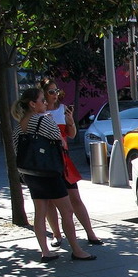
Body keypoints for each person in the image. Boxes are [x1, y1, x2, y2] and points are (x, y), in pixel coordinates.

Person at [11, 88, 96, 262]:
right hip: (49, 172)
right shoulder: (43, 121)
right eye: (42, 100)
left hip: (30, 173)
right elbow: (61, 141)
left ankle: (45, 251)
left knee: (39, 212)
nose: (45, 103)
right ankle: (76, 250)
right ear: (32, 104)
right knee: (67, 211)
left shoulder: (18, 126)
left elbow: (16, 149)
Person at [40, 78, 103, 248]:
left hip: (63, 158)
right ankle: (57, 234)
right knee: (51, 201)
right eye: (51, 91)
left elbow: (72, 134)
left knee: (75, 197)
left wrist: (70, 122)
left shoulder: (62, 109)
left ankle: (90, 232)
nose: (55, 94)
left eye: (56, 90)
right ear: (44, 94)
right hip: (47, 160)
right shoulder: (40, 112)